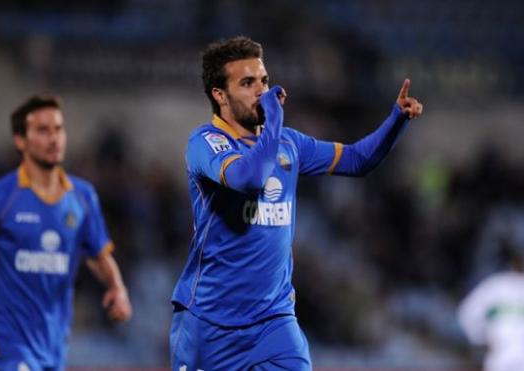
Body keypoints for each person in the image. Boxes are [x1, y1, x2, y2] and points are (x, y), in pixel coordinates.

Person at [170, 35, 423, 370]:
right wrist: (273, 117)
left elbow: (358, 160)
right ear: (220, 95)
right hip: (209, 323)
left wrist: (396, 119)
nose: (261, 91)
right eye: (247, 83)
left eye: (264, 81)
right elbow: (250, 178)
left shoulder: (289, 143)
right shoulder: (206, 142)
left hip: (273, 322)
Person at [0, 95, 132, 371]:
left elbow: (96, 254)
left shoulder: (82, 197)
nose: (54, 138)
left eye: (58, 129)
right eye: (42, 131)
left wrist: (117, 287)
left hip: (54, 343)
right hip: (5, 342)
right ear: (20, 140)